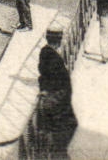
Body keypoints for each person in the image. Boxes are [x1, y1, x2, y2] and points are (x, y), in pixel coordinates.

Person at [27, 22, 78, 160]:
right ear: (60, 40)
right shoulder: (53, 58)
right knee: (59, 140)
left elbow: (43, 75)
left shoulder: (45, 52)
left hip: (51, 103)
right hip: (55, 107)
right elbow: (56, 82)